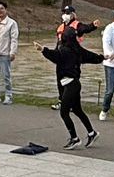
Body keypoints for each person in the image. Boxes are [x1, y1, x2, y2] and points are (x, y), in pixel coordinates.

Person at [41, 21, 105, 149]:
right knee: (77, 110)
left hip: (70, 84)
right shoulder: (77, 50)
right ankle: (92, 133)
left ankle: (75, 138)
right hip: (74, 84)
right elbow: (90, 56)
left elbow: (55, 56)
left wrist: (43, 50)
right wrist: (102, 58)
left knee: (64, 112)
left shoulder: (64, 50)